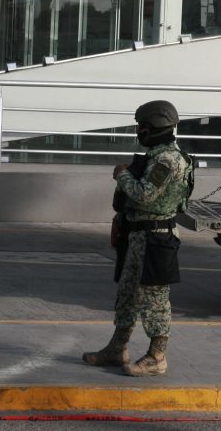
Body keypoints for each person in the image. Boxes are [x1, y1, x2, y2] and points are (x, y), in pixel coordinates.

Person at [82, 100, 193, 377]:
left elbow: (145, 194)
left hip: (157, 237)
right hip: (138, 234)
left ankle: (157, 356)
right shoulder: (155, 156)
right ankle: (117, 348)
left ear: (154, 126)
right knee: (128, 294)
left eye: (142, 126)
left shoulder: (168, 160)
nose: (139, 131)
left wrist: (121, 175)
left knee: (155, 299)